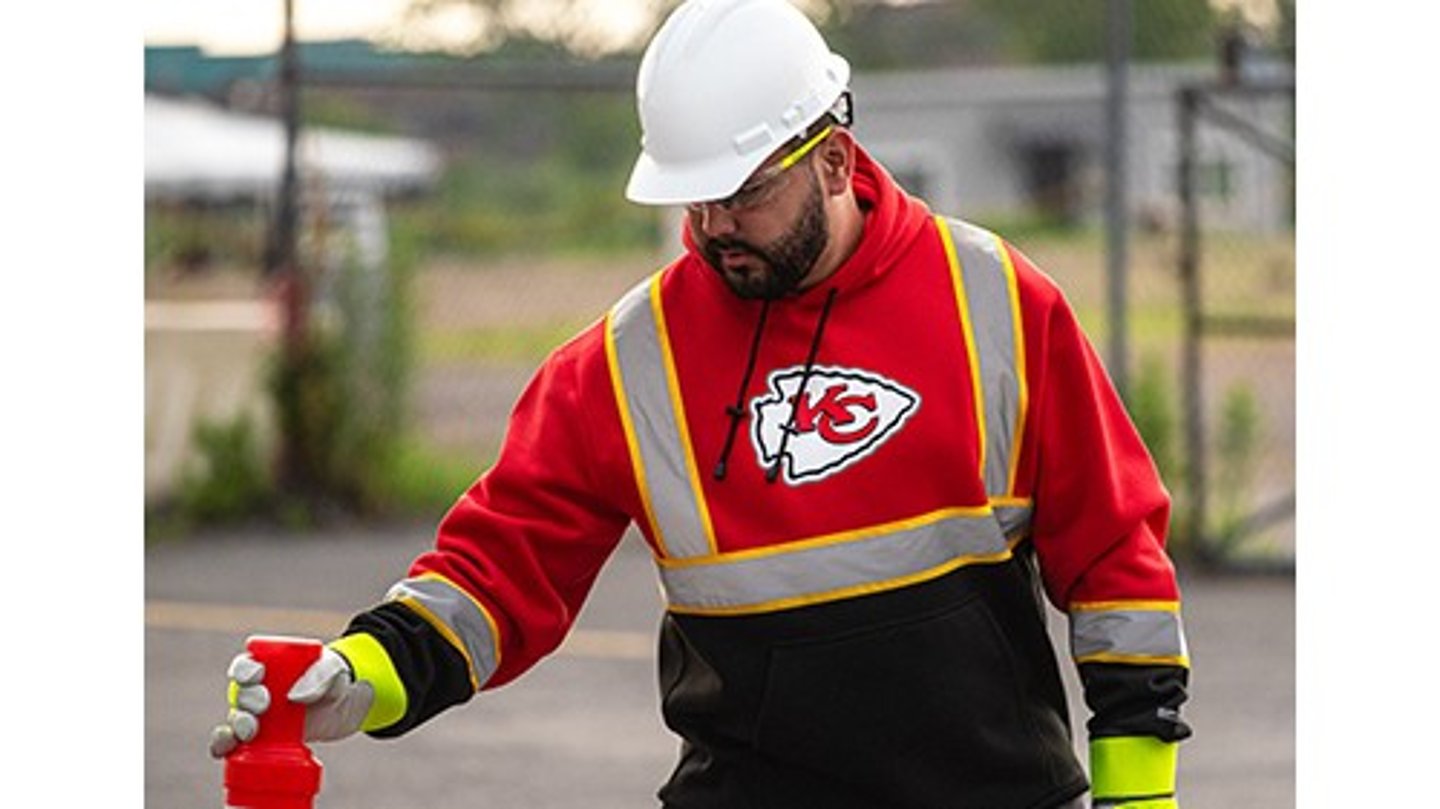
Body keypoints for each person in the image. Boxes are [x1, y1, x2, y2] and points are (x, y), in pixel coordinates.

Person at [210, 1, 1192, 807]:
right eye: (696, 200)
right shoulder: (629, 361)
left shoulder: (996, 301)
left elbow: (1114, 553)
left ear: (836, 161)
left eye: (744, 194)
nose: (716, 228)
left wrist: (1139, 795)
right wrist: (363, 673)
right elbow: (496, 570)